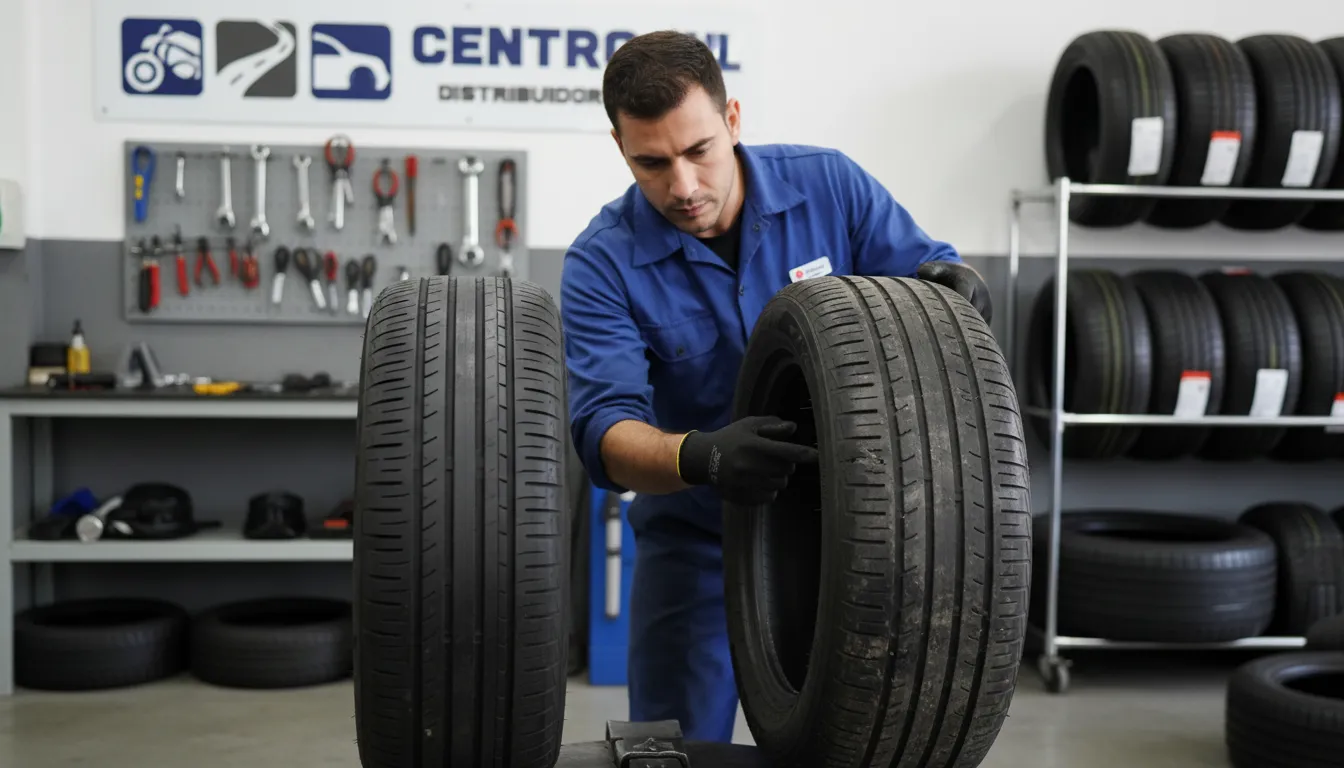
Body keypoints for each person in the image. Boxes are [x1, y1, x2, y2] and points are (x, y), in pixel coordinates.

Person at [559, 30, 992, 743]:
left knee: (855, 743)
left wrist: (954, 293)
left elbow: (932, 278)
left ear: (732, 121)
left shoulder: (831, 186)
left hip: (855, 536)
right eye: (652, 163)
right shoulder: (601, 264)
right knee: (676, 752)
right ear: (620, 148)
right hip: (694, 543)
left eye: (698, 151)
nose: (683, 186)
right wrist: (706, 458)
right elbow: (605, 436)